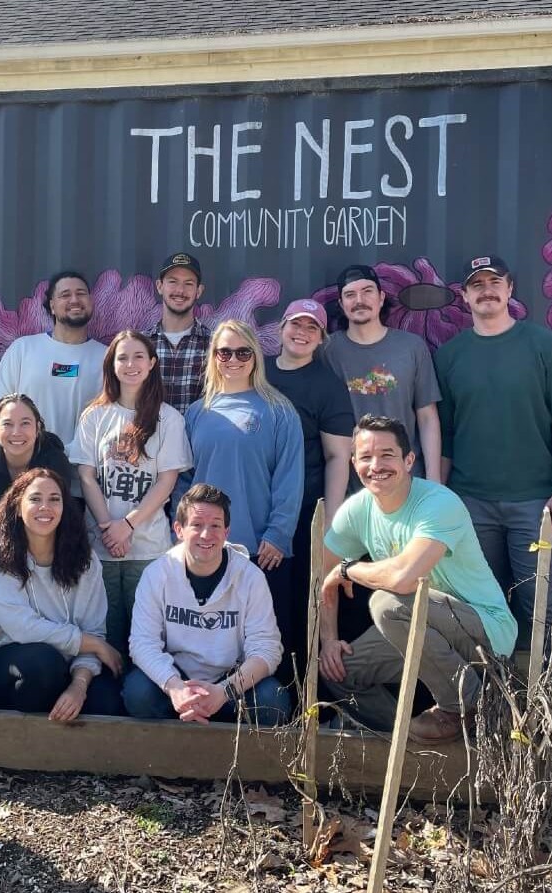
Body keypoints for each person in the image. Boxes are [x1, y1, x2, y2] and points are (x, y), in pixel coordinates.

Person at [434, 255, 552, 727]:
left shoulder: (544, 346)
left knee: (545, 611)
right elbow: (446, 434)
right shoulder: (450, 355)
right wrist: (440, 499)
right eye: (476, 285)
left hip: (534, 505)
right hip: (470, 506)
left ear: (510, 288)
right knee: (475, 612)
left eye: (494, 282)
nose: (486, 291)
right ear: (463, 296)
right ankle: (489, 713)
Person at [319, 415, 517, 744]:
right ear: (354, 463)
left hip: (483, 633)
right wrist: (328, 639)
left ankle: (471, 707)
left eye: (387, 455)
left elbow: (403, 580)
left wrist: (348, 570)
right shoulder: (357, 511)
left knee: (386, 604)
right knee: (339, 670)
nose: (376, 465)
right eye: (366, 457)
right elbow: (321, 572)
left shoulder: (438, 503)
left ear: (409, 460)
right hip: (419, 628)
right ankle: (404, 740)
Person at [182, 320, 304, 657]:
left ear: (255, 356)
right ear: (213, 357)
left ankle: (272, 711)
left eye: (242, 352)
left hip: (262, 552)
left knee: (266, 648)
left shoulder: (279, 410)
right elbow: (183, 479)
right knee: (212, 649)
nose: (233, 359)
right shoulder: (196, 412)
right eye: (224, 352)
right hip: (206, 550)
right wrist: (181, 532)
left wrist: (278, 533)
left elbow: (289, 477)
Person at [123, 484, 290, 726]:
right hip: (178, 679)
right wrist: (176, 689)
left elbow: (267, 649)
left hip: (231, 684)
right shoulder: (157, 574)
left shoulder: (250, 577)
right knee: (138, 692)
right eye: (197, 525)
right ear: (178, 529)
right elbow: (142, 644)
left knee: (272, 700)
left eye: (215, 525)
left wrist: (223, 692)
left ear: (226, 532)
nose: (206, 534)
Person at [70, 331, 192, 653]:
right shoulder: (94, 415)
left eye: (139, 356)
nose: (131, 364)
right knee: (106, 634)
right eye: (122, 357)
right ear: (112, 365)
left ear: (152, 363)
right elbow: (86, 476)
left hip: (148, 548)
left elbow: (166, 482)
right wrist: (110, 527)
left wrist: (129, 525)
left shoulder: (169, 419)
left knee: (148, 636)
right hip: (101, 548)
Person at [0, 468, 124, 720]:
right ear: (17, 506)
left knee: (106, 702)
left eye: (54, 499)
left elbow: (94, 628)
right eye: (35, 499)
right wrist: (93, 644)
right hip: (4, 663)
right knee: (44, 664)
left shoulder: (85, 561)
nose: (45, 507)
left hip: (68, 663)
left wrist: (79, 686)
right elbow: (23, 629)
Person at [264, 298, 354, 673]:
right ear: (281, 328)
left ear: (321, 338)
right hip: (255, 507)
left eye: (311, 328)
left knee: (299, 600)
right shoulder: (258, 371)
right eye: (295, 325)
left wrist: (330, 520)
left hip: (303, 511)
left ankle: (297, 692)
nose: (301, 333)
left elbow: (338, 456)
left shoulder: (327, 385)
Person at [0, 394, 73, 637]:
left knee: (41, 614)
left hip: (42, 544)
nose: (16, 432)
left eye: (25, 423)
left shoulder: (54, 460)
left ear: (38, 426)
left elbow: (63, 515)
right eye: (8, 424)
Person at [323, 265, 442, 482]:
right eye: (350, 294)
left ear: (381, 297)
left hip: (406, 480)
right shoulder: (327, 350)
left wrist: (434, 480)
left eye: (367, 291)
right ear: (341, 304)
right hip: (350, 484)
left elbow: (427, 416)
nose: (359, 300)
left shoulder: (412, 347)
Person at [0, 269, 106, 460]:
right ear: (52, 305)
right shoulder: (22, 349)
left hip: (85, 476)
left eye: (81, 293)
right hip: (27, 472)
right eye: (65, 295)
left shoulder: (108, 357)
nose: (74, 300)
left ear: (90, 301)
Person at [145, 252, 212, 414]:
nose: (180, 290)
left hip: (195, 439)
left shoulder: (215, 345)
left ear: (199, 291)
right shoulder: (141, 343)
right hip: (150, 438)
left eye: (188, 283)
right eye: (173, 282)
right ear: (160, 286)